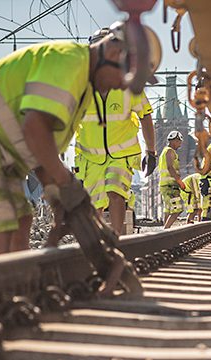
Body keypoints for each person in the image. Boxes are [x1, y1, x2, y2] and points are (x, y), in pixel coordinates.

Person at [0, 22, 130, 257]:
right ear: (115, 54)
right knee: (2, 223)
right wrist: (67, 184)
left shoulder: (84, 88)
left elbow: (42, 151)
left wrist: (56, 194)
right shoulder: (69, 61)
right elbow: (34, 130)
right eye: (126, 75)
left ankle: (20, 286)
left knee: (22, 218)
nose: (123, 84)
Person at [75, 28, 157, 235]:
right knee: (95, 203)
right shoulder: (80, 85)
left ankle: (118, 238)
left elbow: (145, 115)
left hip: (122, 154)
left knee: (115, 192)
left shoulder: (128, 85)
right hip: (90, 156)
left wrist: (151, 151)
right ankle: (98, 241)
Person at [159, 130, 186, 229]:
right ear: (175, 140)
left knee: (168, 209)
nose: (180, 145)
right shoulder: (170, 151)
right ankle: (165, 231)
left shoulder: (164, 151)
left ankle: (165, 231)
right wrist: (180, 182)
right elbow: (170, 168)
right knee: (178, 209)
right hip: (170, 186)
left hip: (166, 186)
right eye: (179, 142)